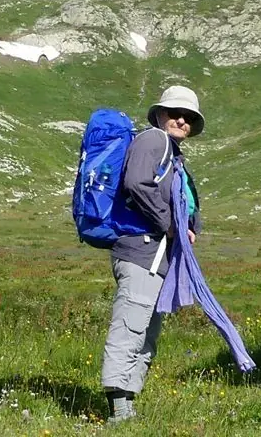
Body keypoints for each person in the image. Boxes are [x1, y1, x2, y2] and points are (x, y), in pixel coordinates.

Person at [100, 86, 206, 421]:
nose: (181, 120)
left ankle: (127, 406)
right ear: (159, 114)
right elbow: (136, 183)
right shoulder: (153, 141)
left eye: (188, 117)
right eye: (174, 112)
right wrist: (171, 224)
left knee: (146, 331)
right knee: (131, 327)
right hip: (141, 253)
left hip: (156, 257)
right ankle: (118, 406)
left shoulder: (173, 154)